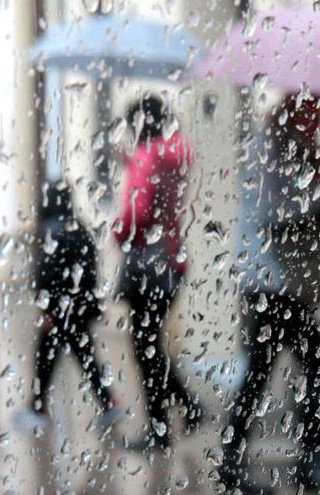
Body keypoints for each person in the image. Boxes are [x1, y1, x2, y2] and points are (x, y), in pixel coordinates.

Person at [219, 93, 320, 491]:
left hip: (285, 283)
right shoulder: (267, 148)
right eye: (312, 111)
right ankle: (294, 464)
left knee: (275, 369)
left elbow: (302, 216)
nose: (318, 120)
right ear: (292, 109)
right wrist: (316, 190)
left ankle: (251, 461)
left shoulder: (296, 148)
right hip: (267, 280)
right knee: (299, 367)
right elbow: (276, 216)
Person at [113, 95, 201, 449]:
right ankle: (188, 408)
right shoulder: (173, 156)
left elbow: (139, 212)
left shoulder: (147, 157)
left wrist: (118, 230)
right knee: (151, 343)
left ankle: (161, 429)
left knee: (144, 347)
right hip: (171, 260)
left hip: (146, 265)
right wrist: (133, 163)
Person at [17, 182, 119, 430]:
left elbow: (47, 274)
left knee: (45, 359)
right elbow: (91, 269)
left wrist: (48, 309)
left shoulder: (51, 230)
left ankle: (37, 408)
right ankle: (109, 403)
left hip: (59, 310)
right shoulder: (80, 226)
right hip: (81, 307)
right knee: (84, 357)